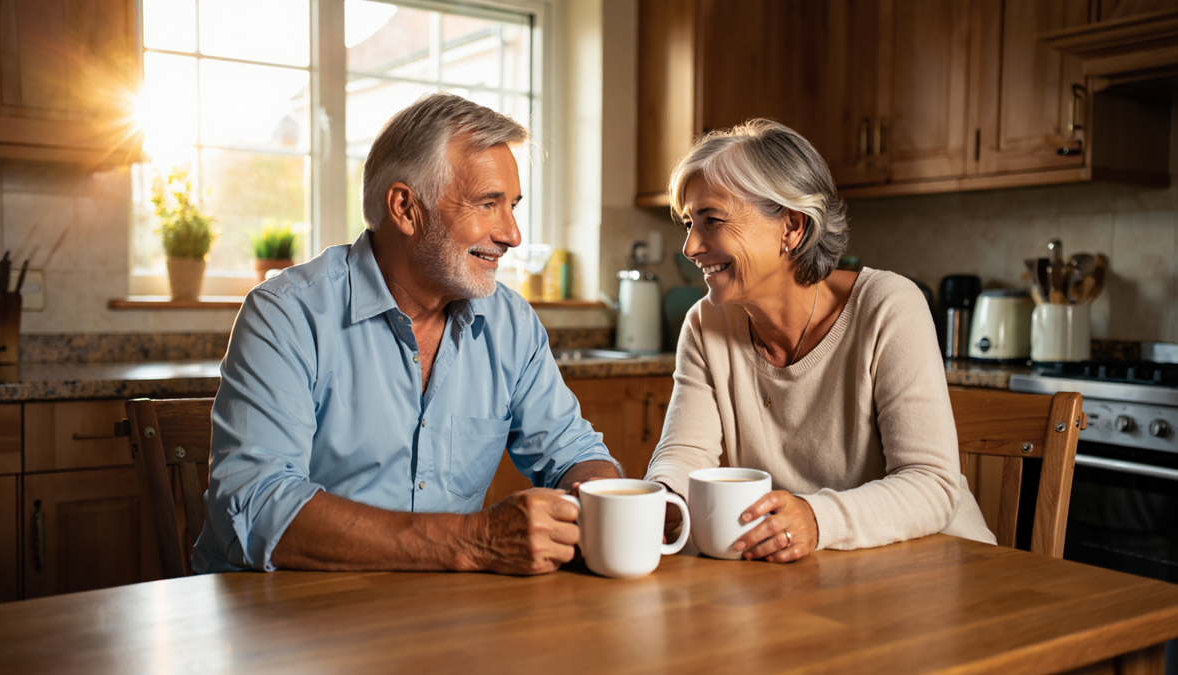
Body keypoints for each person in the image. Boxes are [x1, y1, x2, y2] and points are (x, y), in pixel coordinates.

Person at [192, 94, 621, 575]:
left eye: (513, 206)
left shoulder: (511, 323)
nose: (512, 234)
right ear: (405, 207)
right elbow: (253, 505)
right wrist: (474, 541)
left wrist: (606, 499)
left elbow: (576, 456)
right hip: (284, 623)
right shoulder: (286, 314)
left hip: (438, 620)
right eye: (487, 203)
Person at [645, 119, 995, 563]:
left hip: (937, 569)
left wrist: (815, 518)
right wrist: (662, 500)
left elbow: (931, 483)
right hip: (820, 575)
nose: (690, 247)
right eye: (688, 223)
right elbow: (684, 453)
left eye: (711, 220)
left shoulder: (888, 307)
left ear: (791, 227)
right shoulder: (706, 323)